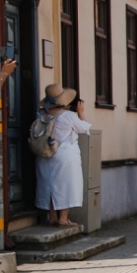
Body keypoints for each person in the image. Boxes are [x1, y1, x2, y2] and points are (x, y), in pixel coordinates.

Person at [36, 88, 91, 227]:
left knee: (49, 185)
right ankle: (63, 218)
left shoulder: (42, 114)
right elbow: (84, 128)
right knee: (67, 185)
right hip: (65, 155)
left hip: (45, 153)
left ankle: (52, 217)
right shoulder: (67, 115)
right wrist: (81, 112)